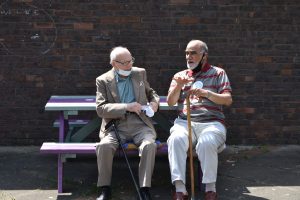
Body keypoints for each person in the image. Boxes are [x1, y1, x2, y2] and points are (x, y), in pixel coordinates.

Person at [167, 40, 232, 200]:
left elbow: (228, 100)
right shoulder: (179, 75)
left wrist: (207, 94)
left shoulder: (218, 73)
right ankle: (180, 190)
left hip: (212, 122)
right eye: (187, 53)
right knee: (175, 139)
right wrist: (178, 87)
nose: (189, 57)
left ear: (204, 56)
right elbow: (170, 102)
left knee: (207, 142)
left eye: (193, 53)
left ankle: (210, 189)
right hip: (184, 122)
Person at [95, 46, 160, 200]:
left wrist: (155, 103)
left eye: (131, 61)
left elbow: (152, 93)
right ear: (113, 63)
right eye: (124, 63)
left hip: (140, 123)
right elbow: (101, 108)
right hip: (116, 126)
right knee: (104, 146)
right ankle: (105, 189)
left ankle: (145, 189)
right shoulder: (103, 80)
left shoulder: (140, 73)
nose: (129, 65)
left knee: (149, 145)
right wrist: (126, 107)